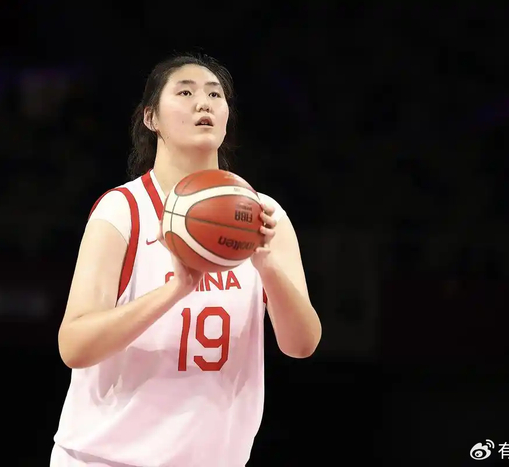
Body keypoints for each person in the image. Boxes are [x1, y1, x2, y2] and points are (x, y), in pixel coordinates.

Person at [51, 53, 322, 467]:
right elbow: (74, 346)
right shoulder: (123, 211)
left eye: (215, 94)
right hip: (104, 459)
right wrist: (176, 289)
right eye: (185, 92)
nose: (203, 103)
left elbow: (302, 345)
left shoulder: (264, 218)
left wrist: (268, 268)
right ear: (151, 118)